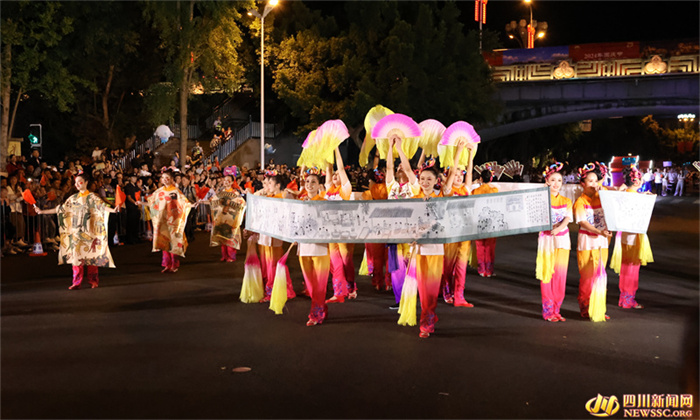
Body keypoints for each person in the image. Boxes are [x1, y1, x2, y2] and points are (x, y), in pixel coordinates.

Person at [34, 172, 120, 290]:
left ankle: (93, 280)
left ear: (86, 183)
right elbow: (61, 209)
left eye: (80, 182)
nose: (77, 185)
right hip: (76, 233)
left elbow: (101, 207)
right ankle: (76, 281)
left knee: (91, 257)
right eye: (76, 183)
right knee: (76, 257)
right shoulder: (73, 198)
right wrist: (42, 211)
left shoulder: (92, 197)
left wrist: (113, 210)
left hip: (90, 232)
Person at [610, 166, 654, 309]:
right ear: (636, 181)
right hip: (632, 236)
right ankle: (627, 298)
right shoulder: (633, 197)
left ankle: (626, 297)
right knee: (631, 268)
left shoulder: (626, 195)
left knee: (627, 267)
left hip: (627, 235)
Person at [574, 162, 612, 322]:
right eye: (590, 181)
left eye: (596, 180)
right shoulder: (580, 202)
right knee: (587, 277)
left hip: (602, 242)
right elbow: (583, 222)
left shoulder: (602, 197)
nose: (594, 184)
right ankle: (585, 306)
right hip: (587, 243)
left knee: (601, 276)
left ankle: (599, 308)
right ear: (582, 183)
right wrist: (599, 232)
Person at [385, 137, 420, 310]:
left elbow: (406, 168)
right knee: (397, 269)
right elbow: (389, 167)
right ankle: (400, 300)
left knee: (411, 268)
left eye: (402, 166)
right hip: (394, 233)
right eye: (398, 166)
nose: (400, 168)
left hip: (410, 233)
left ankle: (411, 300)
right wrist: (390, 147)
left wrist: (399, 148)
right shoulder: (391, 186)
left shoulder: (414, 187)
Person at [536, 162, 573, 322]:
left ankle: (557, 309)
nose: (556, 183)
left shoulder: (566, 200)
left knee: (560, 275)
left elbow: (568, 218)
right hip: (547, 240)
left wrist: (559, 228)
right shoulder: (541, 199)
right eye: (553, 180)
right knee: (547, 274)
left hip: (562, 239)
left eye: (559, 180)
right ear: (547, 181)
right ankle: (548, 310)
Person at [441, 139, 475, 308]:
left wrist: (470, 154)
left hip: (464, 234)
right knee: (447, 266)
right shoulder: (447, 191)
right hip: (450, 234)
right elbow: (453, 170)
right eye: (456, 174)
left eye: (461, 174)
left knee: (461, 266)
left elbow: (469, 174)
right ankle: (446, 291)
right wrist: (458, 152)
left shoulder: (465, 190)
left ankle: (459, 296)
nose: (459, 176)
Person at [297, 168, 331, 326]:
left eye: (313, 182)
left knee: (319, 285)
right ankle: (321, 307)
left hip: (320, 248)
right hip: (304, 248)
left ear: (319, 186)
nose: (309, 184)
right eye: (307, 181)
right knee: (310, 287)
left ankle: (316, 315)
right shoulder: (299, 203)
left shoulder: (324, 203)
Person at [147, 170, 198, 273]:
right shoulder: (158, 192)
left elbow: (184, 202)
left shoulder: (176, 191)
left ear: (171, 179)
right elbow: (152, 202)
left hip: (174, 221)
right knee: (165, 242)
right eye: (163, 178)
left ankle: (174, 264)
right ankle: (167, 264)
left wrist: (191, 205)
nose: (165, 179)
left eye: (167, 178)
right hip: (163, 221)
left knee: (174, 243)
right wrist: (142, 203)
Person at [324, 148, 356, 304]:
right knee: (335, 261)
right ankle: (338, 292)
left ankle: (351, 287)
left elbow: (341, 168)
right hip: (331, 231)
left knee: (346, 261)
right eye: (334, 174)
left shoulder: (345, 190)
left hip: (344, 230)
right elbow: (328, 169)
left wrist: (336, 148)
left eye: (338, 174)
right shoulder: (329, 189)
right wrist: (327, 149)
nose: (335, 175)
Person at [205, 175, 246, 262]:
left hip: (231, 219)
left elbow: (242, 203)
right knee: (223, 237)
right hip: (222, 219)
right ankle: (224, 255)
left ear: (232, 182)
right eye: (225, 180)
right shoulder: (220, 192)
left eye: (228, 180)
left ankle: (231, 256)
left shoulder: (235, 193)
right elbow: (214, 201)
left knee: (230, 237)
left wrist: (231, 204)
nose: (226, 182)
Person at [471, 165, 499, 277]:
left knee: (480, 246)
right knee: (490, 246)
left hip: (479, 221)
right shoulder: (494, 190)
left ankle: (481, 269)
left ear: (481, 179)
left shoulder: (475, 191)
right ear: (491, 178)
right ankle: (489, 270)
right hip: (492, 221)